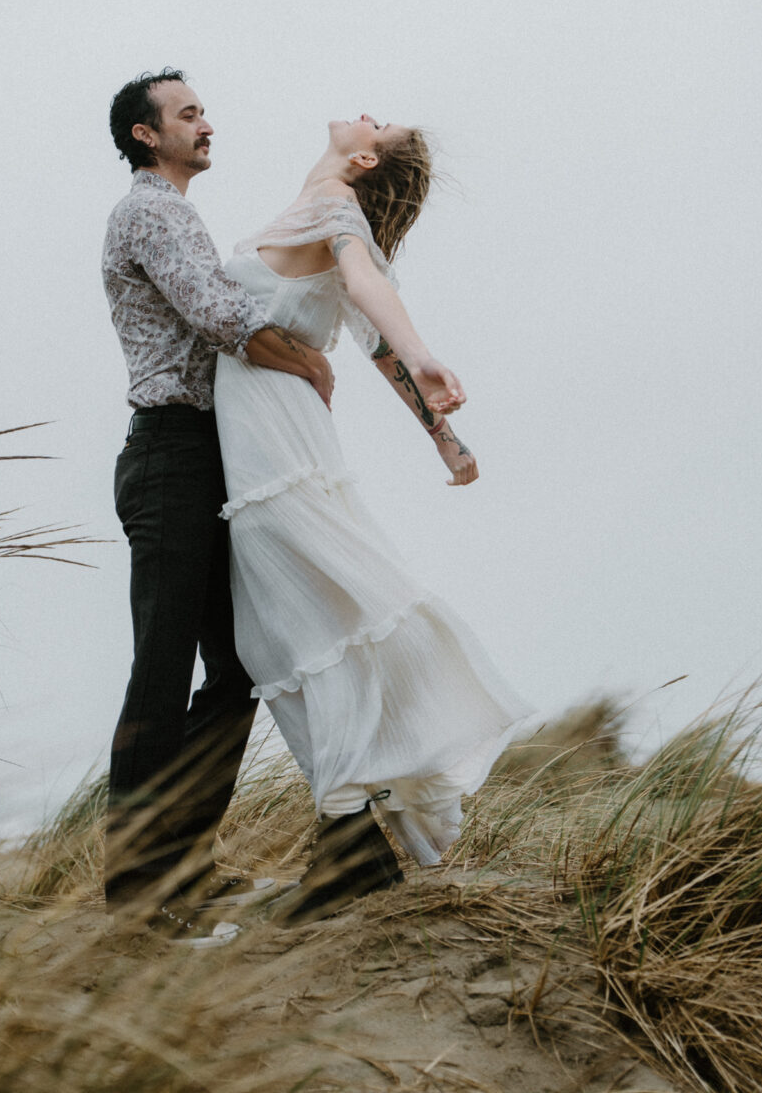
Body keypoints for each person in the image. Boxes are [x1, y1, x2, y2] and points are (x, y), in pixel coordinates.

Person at [214, 114, 533, 923]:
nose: (368, 111)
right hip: (271, 430)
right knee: (289, 631)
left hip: (274, 442)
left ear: (360, 160)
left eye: (378, 126)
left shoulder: (330, 202)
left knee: (301, 627)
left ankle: (347, 847)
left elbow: (369, 292)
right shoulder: (315, 209)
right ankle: (350, 840)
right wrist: (445, 440)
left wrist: (425, 353)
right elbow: (376, 349)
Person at [102, 69, 335, 939]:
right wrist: (309, 361)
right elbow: (216, 313)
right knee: (161, 676)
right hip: (167, 457)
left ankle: (183, 861)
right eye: (187, 113)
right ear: (143, 134)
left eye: (203, 111)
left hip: (204, 459)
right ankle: (136, 892)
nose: (206, 123)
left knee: (236, 668)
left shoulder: (176, 212)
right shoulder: (149, 212)